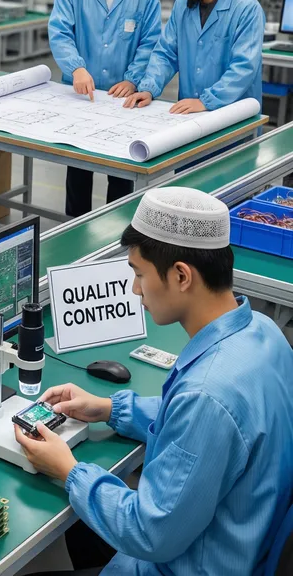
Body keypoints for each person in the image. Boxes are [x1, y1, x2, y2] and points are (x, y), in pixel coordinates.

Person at [16, 186, 293, 575]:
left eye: (139, 273)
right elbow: (213, 428)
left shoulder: (207, 396)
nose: (134, 289)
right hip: (241, 540)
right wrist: (111, 408)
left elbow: (150, 534)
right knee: (81, 529)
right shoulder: (264, 333)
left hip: (183, 563)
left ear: (181, 275)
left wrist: (69, 470)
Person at [49, 0, 162, 217]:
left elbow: (150, 40)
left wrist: (133, 79)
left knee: (121, 173)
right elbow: (60, 32)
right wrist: (75, 68)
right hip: (82, 96)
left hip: (121, 99)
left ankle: (115, 239)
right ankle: (73, 231)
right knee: (79, 171)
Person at [125, 0, 264, 114]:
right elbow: (166, 53)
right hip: (190, 115)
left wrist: (207, 101)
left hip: (232, 114)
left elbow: (244, 67)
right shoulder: (182, 5)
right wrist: (148, 88)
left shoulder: (246, 9)